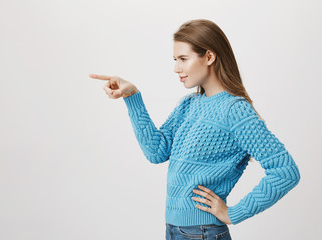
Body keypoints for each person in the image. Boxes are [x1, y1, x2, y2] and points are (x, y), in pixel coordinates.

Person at [89, 19, 301, 240]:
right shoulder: (189, 104)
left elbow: (285, 171)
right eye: (175, 59)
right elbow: (156, 152)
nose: (176, 68)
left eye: (183, 59)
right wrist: (132, 97)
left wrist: (234, 212)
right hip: (174, 229)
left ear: (209, 57)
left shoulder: (235, 110)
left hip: (203, 232)